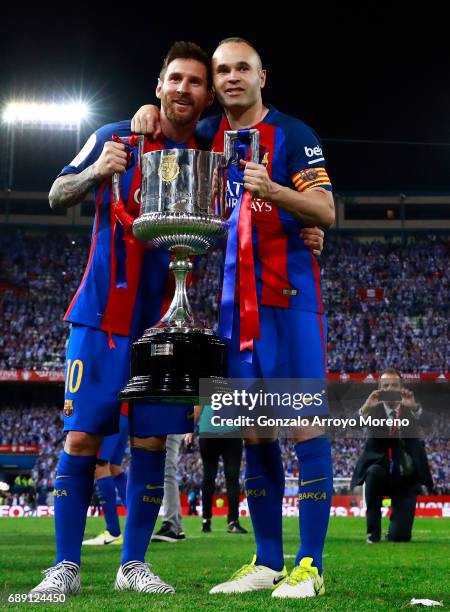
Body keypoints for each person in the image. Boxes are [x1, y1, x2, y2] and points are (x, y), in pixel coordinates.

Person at [132, 37, 334, 599]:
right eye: (221, 71)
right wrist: (146, 112)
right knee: (252, 430)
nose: (231, 78)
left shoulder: (294, 135)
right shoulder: (207, 137)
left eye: (242, 68)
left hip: (288, 300)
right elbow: (164, 127)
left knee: (304, 425)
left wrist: (275, 190)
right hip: (228, 308)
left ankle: (310, 567)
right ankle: (268, 561)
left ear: (262, 75)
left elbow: (325, 210)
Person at [30, 41, 214, 597]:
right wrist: (97, 172)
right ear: (158, 86)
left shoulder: (215, 150)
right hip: (102, 314)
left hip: (168, 325)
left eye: (195, 82)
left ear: (206, 98)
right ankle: (64, 568)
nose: (184, 89)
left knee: (153, 445)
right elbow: (56, 193)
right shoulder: (118, 135)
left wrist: (310, 229)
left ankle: (133, 564)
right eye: (174, 79)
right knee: (83, 437)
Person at [351, 368, 433, 543]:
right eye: (385, 385)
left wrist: (415, 407)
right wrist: (365, 407)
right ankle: (372, 532)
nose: (390, 388)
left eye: (394, 385)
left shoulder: (410, 408)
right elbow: (352, 425)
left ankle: (394, 530)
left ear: (401, 387)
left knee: (400, 537)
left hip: (405, 475)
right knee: (373, 472)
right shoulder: (372, 409)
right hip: (380, 470)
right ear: (380, 388)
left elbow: (428, 422)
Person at [196, 405, 247, 534]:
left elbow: (197, 406)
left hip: (208, 429)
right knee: (232, 479)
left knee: (208, 476)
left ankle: (206, 520)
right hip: (231, 430)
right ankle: (233, 522)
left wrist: (190, 430)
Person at [82, 404, 128, 546]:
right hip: (125, 415)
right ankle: (141, 526)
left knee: (100, 465)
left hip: (110, 412)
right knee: (114, 467)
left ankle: (113, 531)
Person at [151, 434, 186, 542]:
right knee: (167, 470)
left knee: (166, 470)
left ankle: (171, 525)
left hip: (169, 422)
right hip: (171, 422)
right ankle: (177, 527)